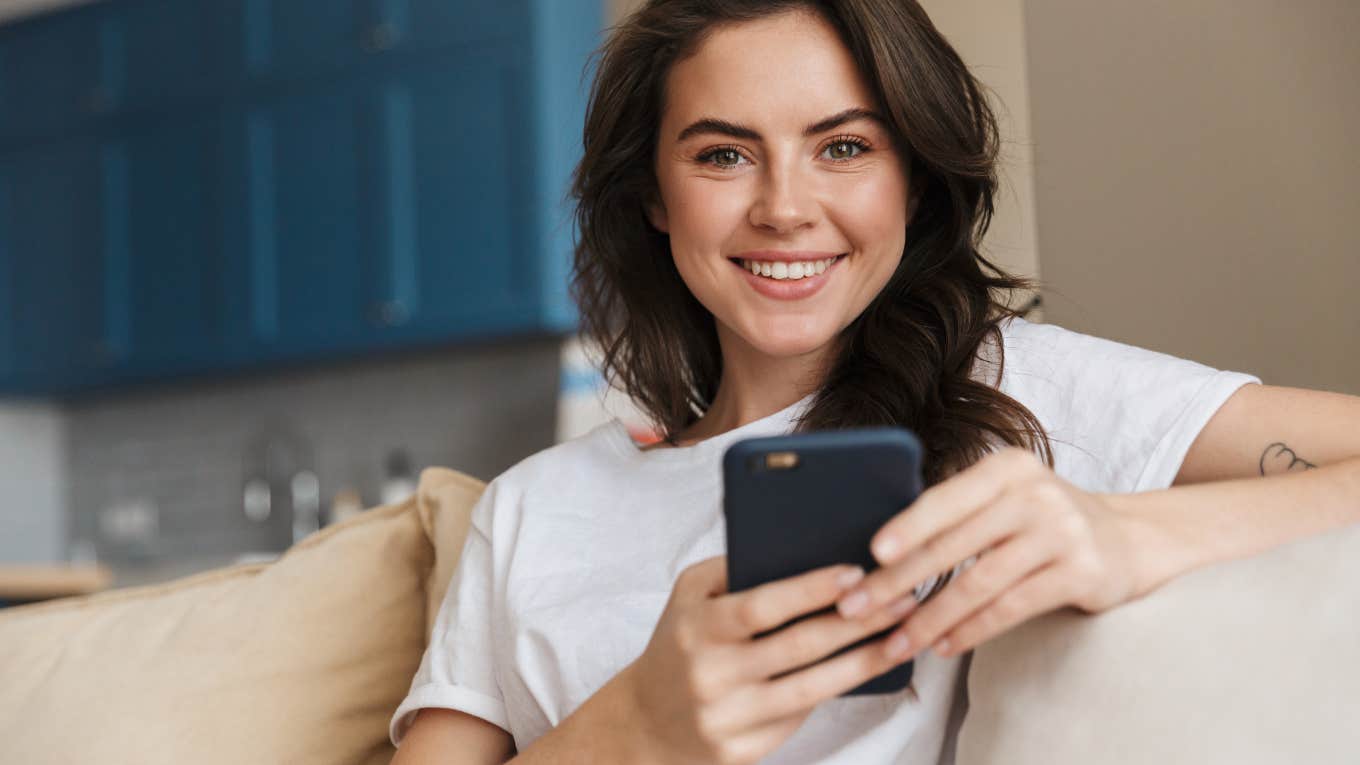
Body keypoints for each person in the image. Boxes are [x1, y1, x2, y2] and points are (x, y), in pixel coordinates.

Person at [389, 1, 1360, 763]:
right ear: (651, 193)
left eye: (844, 147)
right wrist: (635, 732)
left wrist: (1128, 531)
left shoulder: (1020, 390)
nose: (783, 207)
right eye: (723, 154)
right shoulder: (531, 509)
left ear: (913, 179)